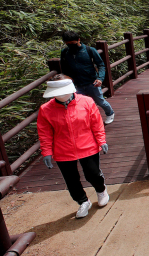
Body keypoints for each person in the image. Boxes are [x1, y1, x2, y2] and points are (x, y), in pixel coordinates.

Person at [37, 75, 110, 219]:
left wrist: (101, 140)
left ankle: (101, 190)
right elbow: (44, 132)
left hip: (87, 145)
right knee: (71, 180)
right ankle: (83, 201)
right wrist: (46, 152)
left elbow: (97, 123)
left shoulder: (87, 102)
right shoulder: (46, 109)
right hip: (62, 150)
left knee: (93, 173)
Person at [60, 30, 115, 124]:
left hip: (92, 82)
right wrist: (67, 79)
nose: (70, 45)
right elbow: (64, 68)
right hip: (76, 84)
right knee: (78, 104)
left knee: (100, 101)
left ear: (78, 40)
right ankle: (86, 120)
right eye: (67, 44)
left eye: (72, 43)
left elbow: (101, 65)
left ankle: (110, 113)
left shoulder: (89, 50)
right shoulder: (65, 52)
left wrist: (100, 78)